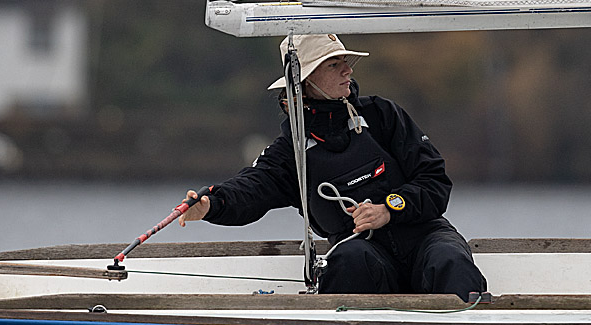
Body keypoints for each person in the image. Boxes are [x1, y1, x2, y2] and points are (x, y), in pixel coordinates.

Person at [179, 33, 487, 299]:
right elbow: (250, 188)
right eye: (333, 64)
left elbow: (435, 182)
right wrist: (211, 205)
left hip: (426, 238)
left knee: (450, 259)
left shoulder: (383, 115)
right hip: (364, 256)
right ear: (306, 80)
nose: (348, 70)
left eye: (345, 61)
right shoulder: (291, 153)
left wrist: (389, 209)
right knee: (350, 259)